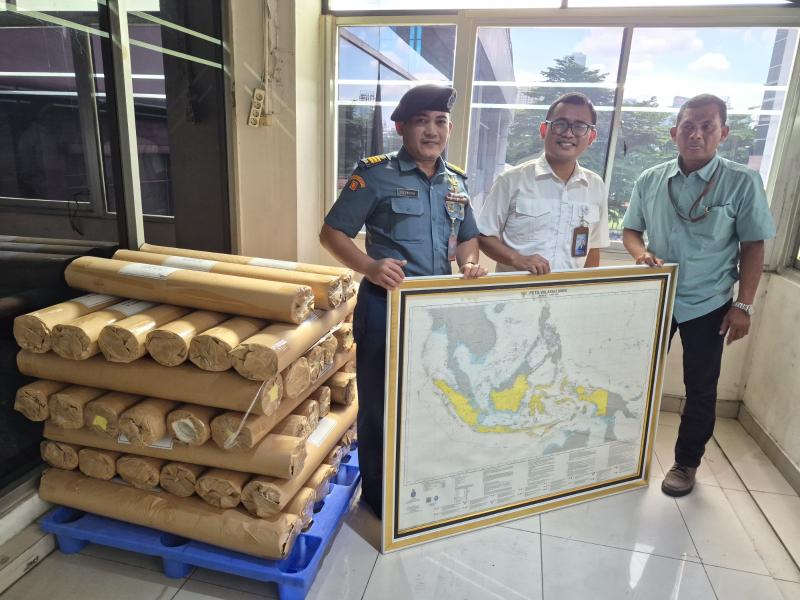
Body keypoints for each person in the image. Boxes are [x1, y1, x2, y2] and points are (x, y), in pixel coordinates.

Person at [319, 84, 487, 517]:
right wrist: (370, 266)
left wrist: (469, 263)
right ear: (401, 127)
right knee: (381, 404)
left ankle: (422, 483)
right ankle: (379, 498)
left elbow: (468, 237)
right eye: (421, 121)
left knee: (436, 399)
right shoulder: (376, 174)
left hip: (438, 310)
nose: (432, 131)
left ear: (449, 129)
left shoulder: (456, 181)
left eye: (440, 122)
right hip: (386, 307)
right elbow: (332, 233)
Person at [622, 93, 775, 497]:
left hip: (709, 303)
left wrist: (744, 305)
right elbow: (631, 230)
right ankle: (622, 452)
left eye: (707, 126)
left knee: (701, 388)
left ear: (723, 133)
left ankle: (685, 463)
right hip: (658, 297)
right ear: (674, 132)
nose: (696, 134)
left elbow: (753, 245)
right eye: (688, 126)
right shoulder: (650, 179)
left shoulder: (743, 182)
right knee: (632, 377)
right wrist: (640, 254)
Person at [477, 92, 610, 274]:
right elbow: (483, 236)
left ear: (591, 137)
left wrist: (586, 287)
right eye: (560, 124)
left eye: (579, 126)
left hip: (568, 291)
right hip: (517, 290)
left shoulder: (596, 186)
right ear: (543, 130)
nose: (568, 133)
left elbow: (593, 247)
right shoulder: (510, 180)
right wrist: (517, 259)